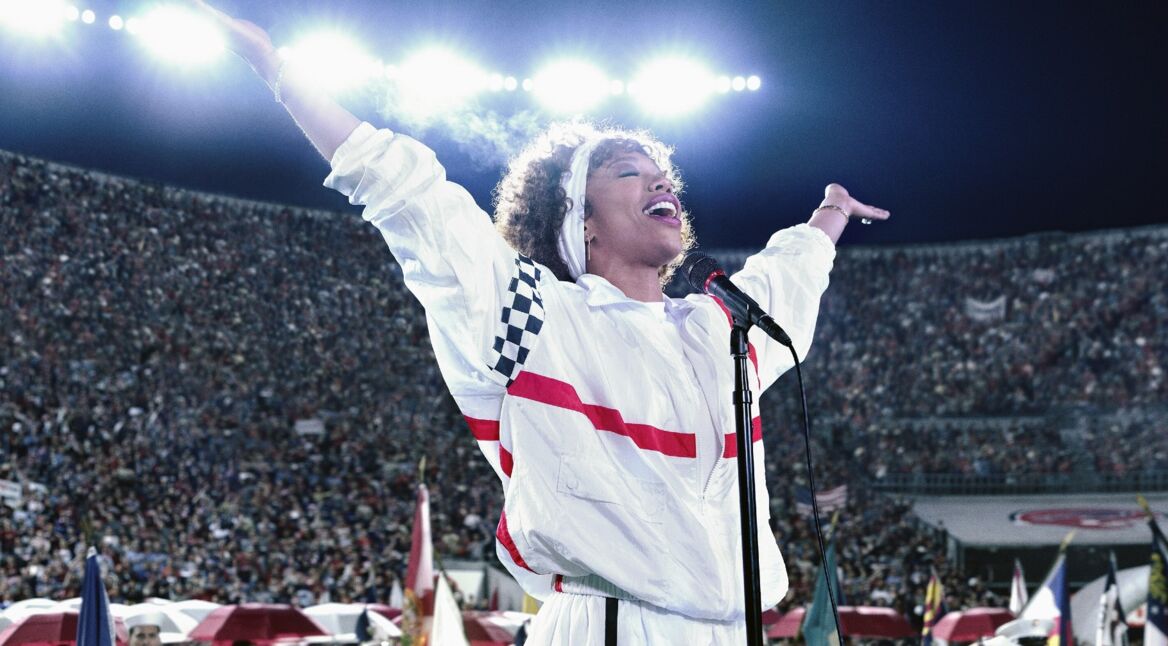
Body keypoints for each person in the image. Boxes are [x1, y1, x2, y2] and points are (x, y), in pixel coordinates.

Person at [190, 2, 890, 643]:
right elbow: (414, 200)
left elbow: (788, 275)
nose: (660, 183)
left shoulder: (724, 329)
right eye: (627, 172)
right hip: (611, 624)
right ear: (579, 223)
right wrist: (279, 71)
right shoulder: (533, 315)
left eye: (663, 175)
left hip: (737, 630)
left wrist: (829, 214)